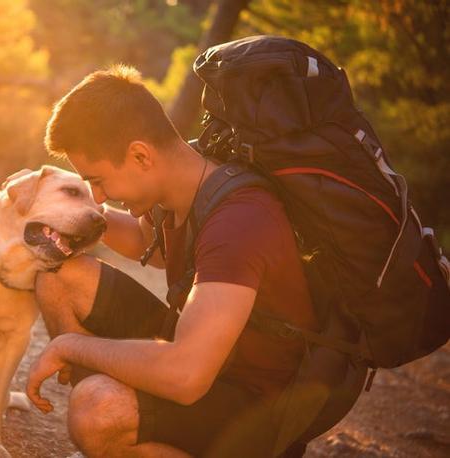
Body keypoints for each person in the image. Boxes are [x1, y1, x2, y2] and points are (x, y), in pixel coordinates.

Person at [26, 65, 318, 457]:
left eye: (97, 181)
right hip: (208, 360)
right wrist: (60, 208)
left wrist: (71, 346)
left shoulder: (239, 222)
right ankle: (118, 439)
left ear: (140, 155)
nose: (97, 197)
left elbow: (186, 376)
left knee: (98, 408)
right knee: (59, 277)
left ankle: (116, 427)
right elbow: (149, 243)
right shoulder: (184, 183)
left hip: (254, 409)